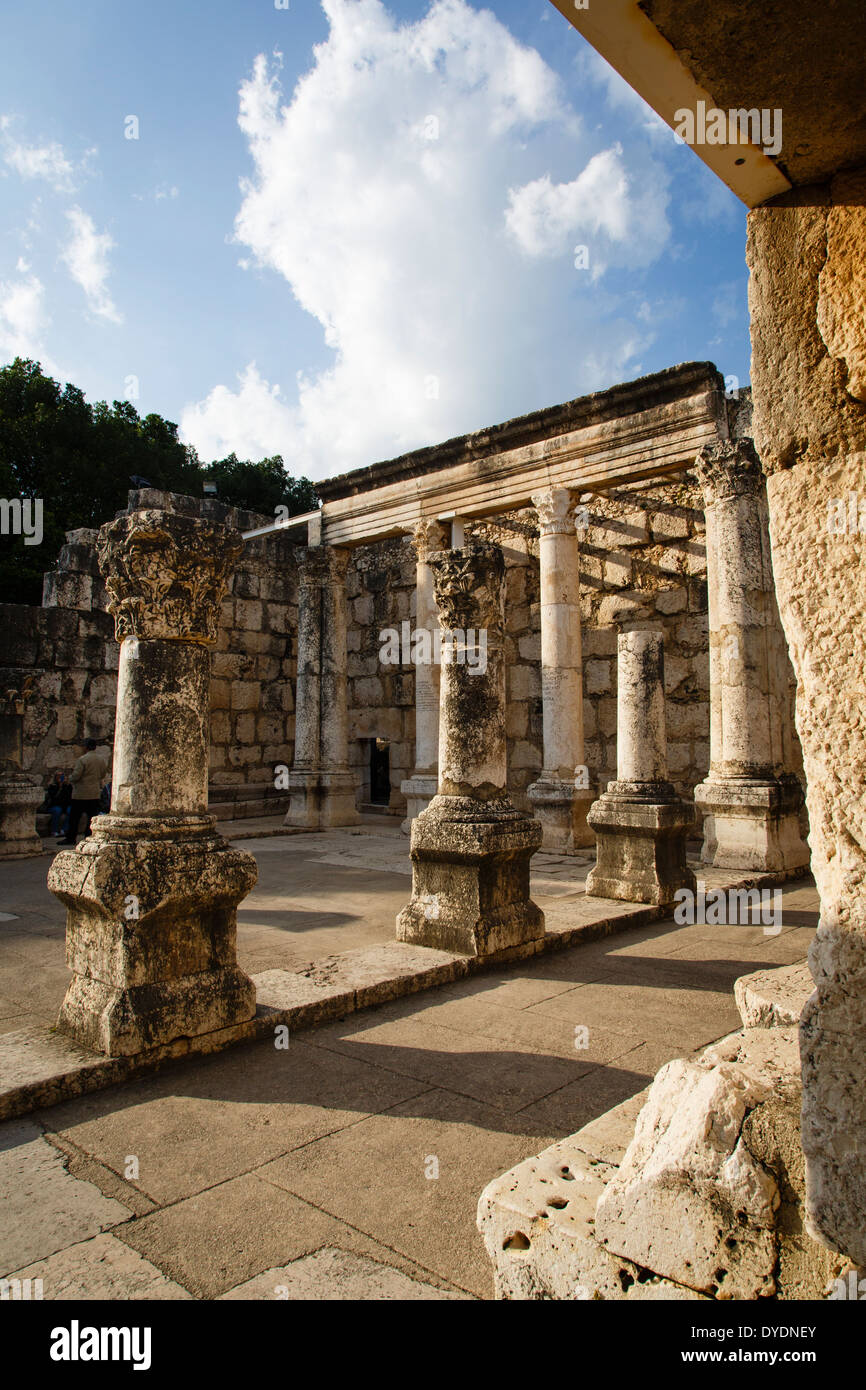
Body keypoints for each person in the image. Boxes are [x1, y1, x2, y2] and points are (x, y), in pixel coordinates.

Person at [59, 739, 109, 845]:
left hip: (81, 793)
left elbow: (76, 775)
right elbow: (103, 774)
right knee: (91, 817)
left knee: (74, 818)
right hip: (94, 792)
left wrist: (70, 779)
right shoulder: (100, 760)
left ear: (85, 747)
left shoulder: (82, 760)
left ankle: (71, 837)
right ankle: (89, 836)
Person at [40, 771, 72, 838]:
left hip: (65, 806)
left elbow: (69, 797)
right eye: (59, 776)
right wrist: (59, 787)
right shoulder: (52, 787)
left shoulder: (68, 786)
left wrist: (64, 786)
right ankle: (54, 830)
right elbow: (54, 798)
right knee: (57, 811)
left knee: (71, 810)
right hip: (54, 806)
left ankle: (64, 829)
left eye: (62, 776)